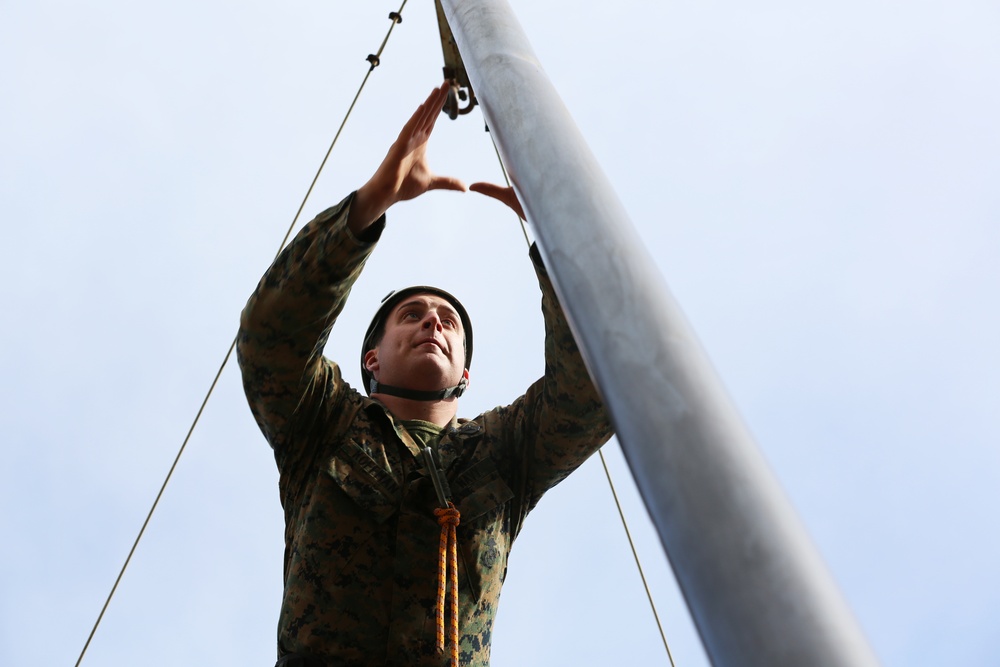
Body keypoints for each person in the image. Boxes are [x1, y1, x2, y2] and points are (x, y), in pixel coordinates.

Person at [237, 82, 613, 667]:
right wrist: (366, 208)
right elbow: (269, 338)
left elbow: (593, 394)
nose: (432, 323)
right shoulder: (323, 422)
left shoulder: (502, 450)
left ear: (465, 372)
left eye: (448, 322)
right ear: (373, 360)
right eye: (410, 316)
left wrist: (556, 249)